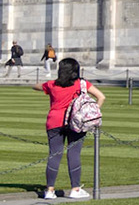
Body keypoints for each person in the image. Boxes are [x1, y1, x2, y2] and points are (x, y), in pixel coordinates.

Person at [40, 57, 99, 201]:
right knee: (74, 154)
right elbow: (101, 97)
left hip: (54, 122)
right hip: (75, 121)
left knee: (54, 155)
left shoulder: (52, 84)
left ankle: (49, 190)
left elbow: (38, 86)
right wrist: (90, 113)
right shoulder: (81, 84)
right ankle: (75, 188)